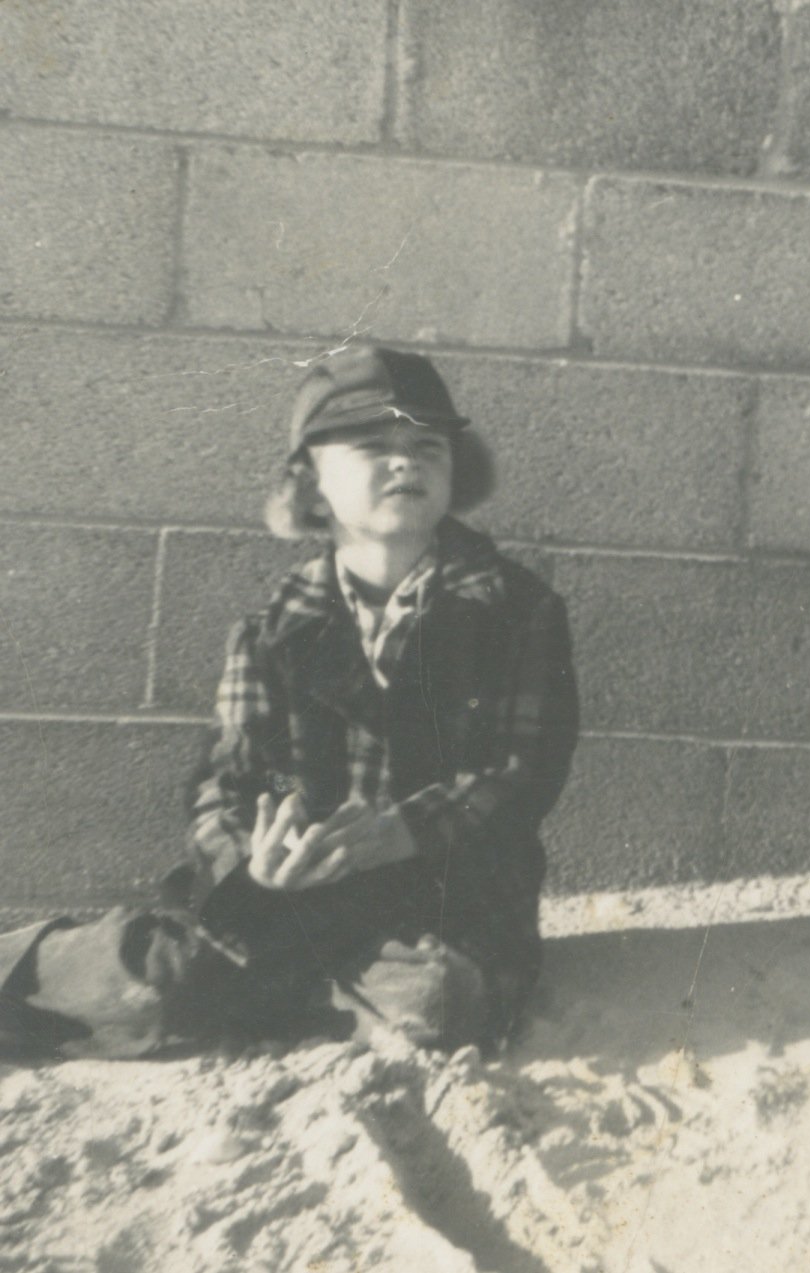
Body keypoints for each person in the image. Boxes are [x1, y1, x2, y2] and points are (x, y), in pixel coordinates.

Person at [177, 344, 582, 1050]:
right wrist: (252, 859)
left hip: (446, 903)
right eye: (373, 444)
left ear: (456, 472)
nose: (406, 461)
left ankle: (289, 992)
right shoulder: (270, 629)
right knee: (150, 976)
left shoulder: (516, 610)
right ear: (310, 483)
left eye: (427, 444)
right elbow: (225, 781)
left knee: (442, 999)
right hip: (295, 899)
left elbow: (521, 771)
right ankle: (293, 981)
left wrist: (403, 831)